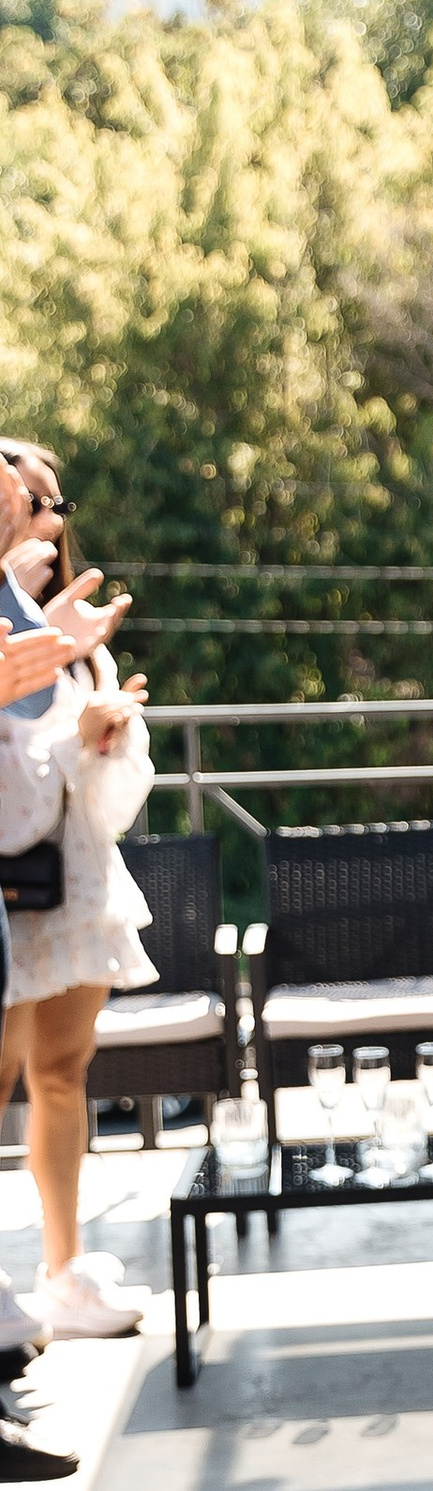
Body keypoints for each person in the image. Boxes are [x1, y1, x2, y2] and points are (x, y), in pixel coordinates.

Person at [0, 441, 157, 1336]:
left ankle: (63, 1270)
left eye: (55, 502)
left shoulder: (74, 636)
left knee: (63, 1075)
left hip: (79, 887)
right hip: (11, 897)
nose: (47, 519)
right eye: (30, 501)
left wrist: (106, 736)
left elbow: (106, 797)